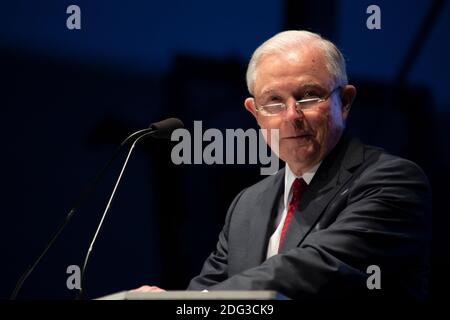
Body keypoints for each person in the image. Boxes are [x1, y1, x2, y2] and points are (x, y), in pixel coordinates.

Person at [136, 30, 431, 299]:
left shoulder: (392, 182)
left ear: (345, 101)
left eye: (309, 96)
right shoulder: (247, 204)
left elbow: (313, 270)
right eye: (274, 101)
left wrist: (183, 303)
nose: (291, 115)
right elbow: (206, 291)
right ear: (255, 113)